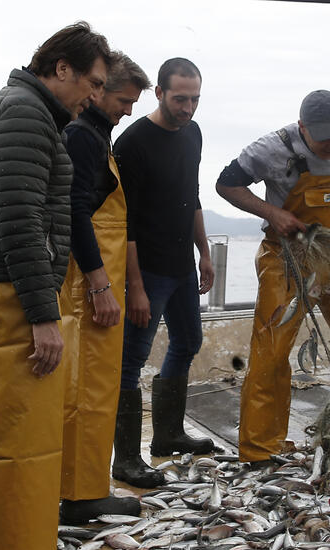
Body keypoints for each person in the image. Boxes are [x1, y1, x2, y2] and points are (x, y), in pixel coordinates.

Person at [0, 22, 111, 550]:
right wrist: (43, 314)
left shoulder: (26, 108)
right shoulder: (25, 112)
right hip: (8, 291)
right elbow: (17, 219)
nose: (92, 97)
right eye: (91, 83)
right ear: (60, 67)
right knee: (20, 426)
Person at [216, 90, 330, 464]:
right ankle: (260, 448)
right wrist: (272, 213)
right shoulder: (271, 149)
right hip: (287, 259)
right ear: (303, 127)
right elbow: (226, 185)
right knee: (271, 352)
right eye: (324, 138)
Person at [58, 52, 162, 527]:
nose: (128, 110)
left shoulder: (98, 134)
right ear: (97, 91)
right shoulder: (83, 136)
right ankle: (81, 496)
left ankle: (88, 486)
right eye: (124, 100)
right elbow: (76, 212)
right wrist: (99, 283)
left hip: (99, 279)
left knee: (98, 391)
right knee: (86, 392)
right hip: (85, 287)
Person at [113, 57, 215, 459]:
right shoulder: (132, 142)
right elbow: (125, 222)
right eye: (179, 99)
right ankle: (126, 459)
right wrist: (134, 287)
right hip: (147, 269)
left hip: (181, 266)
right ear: (158, 93)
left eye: (194, 99)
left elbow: (191, 196)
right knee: (129, 361)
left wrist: (204, 253)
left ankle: (168, 435)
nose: (187, 108)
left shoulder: (194, 135)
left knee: (189, 341)